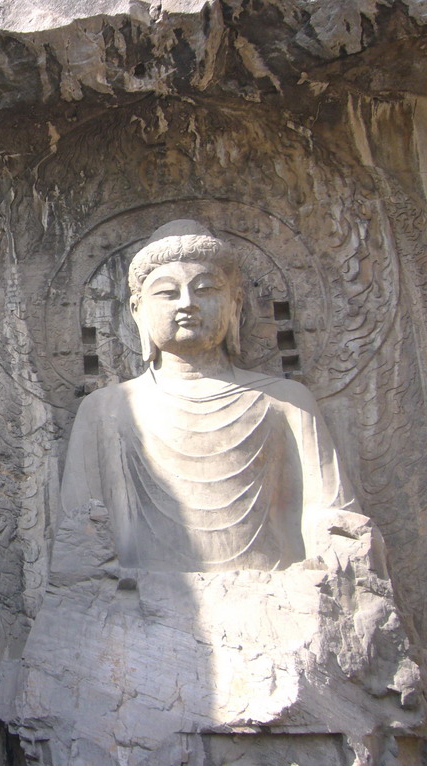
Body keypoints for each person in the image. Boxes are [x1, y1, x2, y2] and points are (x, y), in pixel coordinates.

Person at [61, 220, 367, 571]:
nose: (187, 304)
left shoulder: (287, 401)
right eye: (167, 293)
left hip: (277, 600)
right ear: (137, 310)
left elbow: (333, 518)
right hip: (141, 603)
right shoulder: (104, 410)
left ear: (235, 303)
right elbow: (80, 544)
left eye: (205, 290)